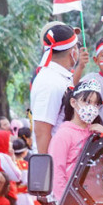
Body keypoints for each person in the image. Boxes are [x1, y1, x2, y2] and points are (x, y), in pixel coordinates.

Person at [51, 80, 103, 202]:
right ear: (73, 102)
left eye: (96, 104)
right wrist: (66, 204)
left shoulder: (96, 131)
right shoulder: (64, 134)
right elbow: (56, 173)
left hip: (98, 203)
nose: (91, 107)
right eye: (87, 102)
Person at [30, 23, 80, 154]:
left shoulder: (58, 77)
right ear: (73, 52)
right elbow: (42, 131)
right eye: (77, 46)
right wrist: (48, 171)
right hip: (54, 164)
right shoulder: (49, 81)